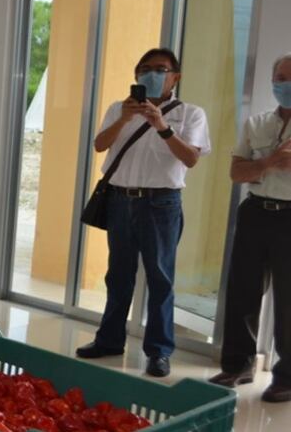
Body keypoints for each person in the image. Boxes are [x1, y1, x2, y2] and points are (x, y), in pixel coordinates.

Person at [76, 48, 211, 377]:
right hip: (121, 200)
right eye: (145, 69)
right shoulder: (118, 109)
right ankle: (109, 340)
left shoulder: (191, 114)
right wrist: (125, 118)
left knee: (160, 279)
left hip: (161, 204)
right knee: (118, 276)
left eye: (160, 69)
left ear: (174, 77)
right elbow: (99, 145)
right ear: (136, 76)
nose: (151, 74)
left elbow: (191, 159)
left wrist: (162, 126)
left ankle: (159, 351)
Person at [208, 54, 291, 403]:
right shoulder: (256, 124)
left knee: (289, 299)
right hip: (255, 211)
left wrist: (259, 166)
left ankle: (285, 376)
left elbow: (247, 167)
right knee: (242, 290)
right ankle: (237, 364)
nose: (284, 85)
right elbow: (236, 173)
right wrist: (269, 162)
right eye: (281, 77)